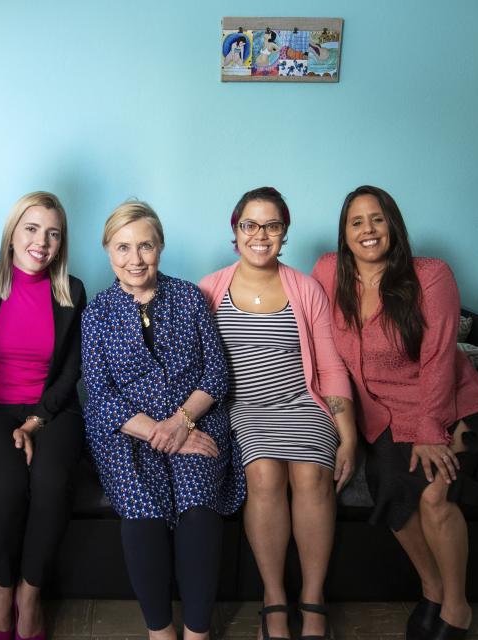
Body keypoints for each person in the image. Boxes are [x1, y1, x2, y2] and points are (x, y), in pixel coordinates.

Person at [311, 185, 478, 640]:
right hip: (382, 417)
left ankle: (457, 606)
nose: (368, 230)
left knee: (435, 496)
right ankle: (431, 588)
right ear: (344, 233)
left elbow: (438, 359)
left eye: (377, 219)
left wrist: (432, 430)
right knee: (394, 490)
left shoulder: (431, 276)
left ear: (393, 225)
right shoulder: (328, 272)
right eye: (356, 222)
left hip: (450, 410)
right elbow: (308, 328)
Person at [81, 201, 245, 640]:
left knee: (197, 507)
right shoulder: (96, 313)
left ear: (160, 247)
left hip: (195, 420)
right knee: (142, 509)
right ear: (107, 251)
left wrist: (181, 423)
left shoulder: (190, 297)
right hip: (127, 432)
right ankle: (160, 631)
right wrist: (160, 432)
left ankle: (197, 631)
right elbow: (100, 394)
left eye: (145, 246)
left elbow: (216, 373)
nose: (135, 259)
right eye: (123, 247)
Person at [199, 187, 356, 640]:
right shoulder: (210, 288)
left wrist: (348, 435)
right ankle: (273, 597)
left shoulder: (306, 289)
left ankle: (313, 598)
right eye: (251, 224)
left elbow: (329, 364)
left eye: (272, 225)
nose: (260, 234)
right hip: (244, 408)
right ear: (236, 231)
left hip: (302, 404)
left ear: (284, 232)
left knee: (311, 476)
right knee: (264, 475)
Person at [0, 191, 86, 640]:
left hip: (52, 411)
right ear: (12, 233)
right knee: (8, 482)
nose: (42, 242)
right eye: (32, 229)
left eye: (53, 234)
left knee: (50, 482)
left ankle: (29, 596)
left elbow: (71, 371)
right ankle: (1, 587)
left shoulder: (71, 290)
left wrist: (36, 422)